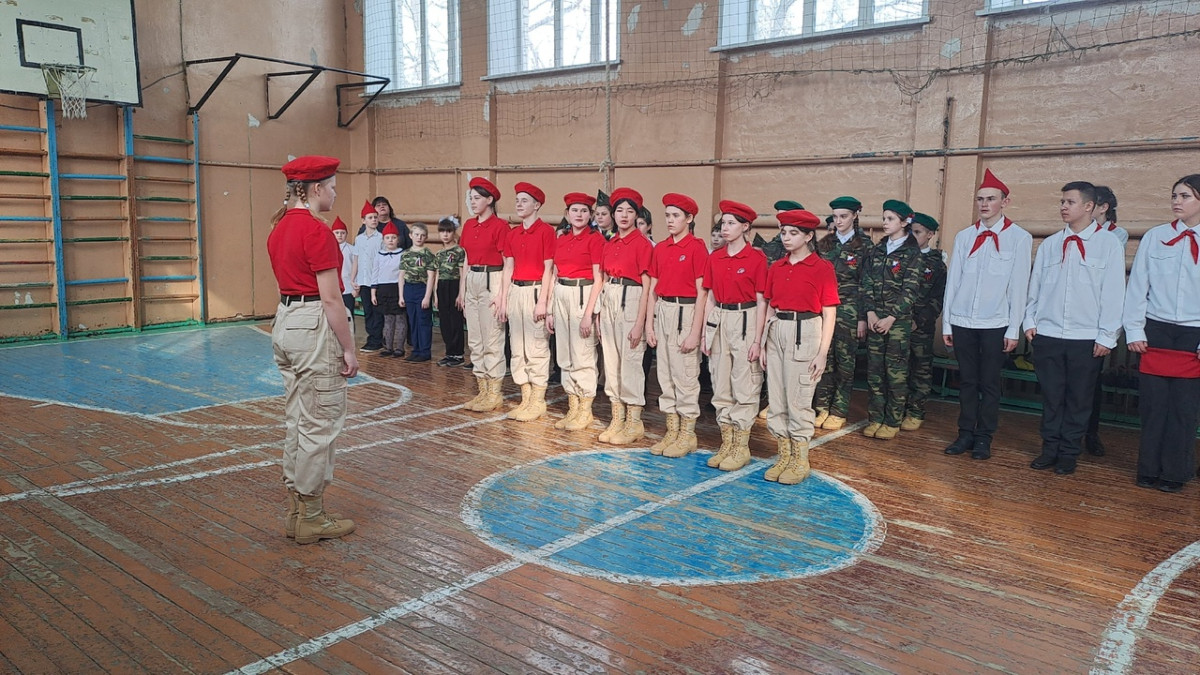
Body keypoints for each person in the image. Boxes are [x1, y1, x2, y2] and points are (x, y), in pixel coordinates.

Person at [266, 155, 357, 544]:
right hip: (314, 324)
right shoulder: (317, 232)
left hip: (286, 321)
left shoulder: (279, 228)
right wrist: (349, 349)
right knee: (321, 423)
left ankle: (296, 512)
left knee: (298, 421)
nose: (335, 194)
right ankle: (312, 517)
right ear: (316, 188)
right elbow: (332, 299)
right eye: (332, 187)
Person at [1024, 182, 1125, 476]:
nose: (1063, 207)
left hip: (1086, 336)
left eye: (1070, 202)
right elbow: (1036, 286)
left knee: (1079, 399)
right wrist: (1030, 321)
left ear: (1089, 206)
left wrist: (1107, 335)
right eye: (1062, 202)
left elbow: (1114, 293)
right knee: (1052, 397)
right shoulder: (1051, 244)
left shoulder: (1108, 244)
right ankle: (1049, 449)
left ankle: (1069, 452)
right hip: (1049, 333)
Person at [942, 169, 1033, 460]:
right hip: (962, 320)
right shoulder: (965, 236)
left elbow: (1019, 286)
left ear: (1004, 202)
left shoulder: (1019, 238)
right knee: (967, 381)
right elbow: (953, 281)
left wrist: (1013, 329)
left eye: (991, 199)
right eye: (980, 199)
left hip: (996, 322)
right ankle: (965, 433)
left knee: (990, 383)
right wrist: (948, 323)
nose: (984, 204)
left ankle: (984, 437)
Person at [1123, 174, 1200, 493]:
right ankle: (1148, 468)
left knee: (1183, 409)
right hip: (1155, 330)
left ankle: (1175, 472)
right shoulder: (1155, 237)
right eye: (1174, 196)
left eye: (1185, 196)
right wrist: (1133, 329)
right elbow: (1138, 285)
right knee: (1153, 407)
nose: (1176, 202)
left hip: (1193, 333)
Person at [760, 209, 838, 485]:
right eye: (783, 232)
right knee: (777, 397)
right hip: (777, 329)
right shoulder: (777, 267)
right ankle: (784, 455)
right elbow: (770, 306)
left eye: (794, 233)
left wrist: (822, 353)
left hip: (805, 330)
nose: (786, 237)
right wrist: (762, 343)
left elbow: (829, 312)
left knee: (799, 398)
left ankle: (800, 460)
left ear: (808, 236)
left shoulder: (822, 268)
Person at [702, 200, 768, 471]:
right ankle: (726, 442)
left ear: (745, 227)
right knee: (720, 384)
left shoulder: (757, 259)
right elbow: (710, 297)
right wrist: (706, 333)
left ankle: (741, 446)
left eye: (731, 223)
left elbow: (762, 301)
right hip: (720, 318)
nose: (725, 228)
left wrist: (758, 340)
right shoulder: (715, 258)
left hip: (746, 318)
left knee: (745, 383)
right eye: (723, 223)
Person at [646, 193, 709, 457]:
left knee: (685, 376)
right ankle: (671, 431)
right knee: (666, 375)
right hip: (664, 310)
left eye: (676, 216)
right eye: (667, 216)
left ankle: (687, 434)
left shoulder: (696, 248)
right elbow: (652, 289)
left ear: (689, 218)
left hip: (686, 311)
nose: (670, 220)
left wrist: (695, 332)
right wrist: (649, 324)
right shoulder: (660, 248)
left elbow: (702, 293)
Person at [861, 200, 923, 440]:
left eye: (890, 219)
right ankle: (876, 417)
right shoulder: (877, 250)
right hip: (875, 319)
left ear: (904, 222)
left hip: (897, 323)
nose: (885, 223)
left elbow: (910, 290)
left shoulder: (912, 253)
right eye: (884, 218)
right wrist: (870, 313)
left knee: (895, 373)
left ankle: (892, 420)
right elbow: (866, 282)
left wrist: (891, 317)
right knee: (875, 372)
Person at [496, 182, 556, 421]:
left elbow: (549, 269)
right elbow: (508, 268)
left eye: (525, 200)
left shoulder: (546, 232)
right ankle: (526, 397)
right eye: (517, 200)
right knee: (517, 347)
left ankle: (538, 401)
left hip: (535, 291)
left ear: (537, 205)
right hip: (516, 292)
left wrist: (543, 301)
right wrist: (503, 299)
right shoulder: (513, 234)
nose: (519, 204)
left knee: (536, 347)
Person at [598, 187, 654, 445]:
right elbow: (603, 279)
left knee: (631, 362)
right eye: (619, 210)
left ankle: (634, 422)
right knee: (611, 361)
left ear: (636, 215)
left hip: (631, 299)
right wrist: (599, 314)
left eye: (629, 211)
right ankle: (617, 417)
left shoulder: (642, 244)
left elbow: (647, 286)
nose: (623, 215)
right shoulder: (610, 243)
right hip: (610, 297)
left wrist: (640, 323)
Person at [812, 196, 871, 431]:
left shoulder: (865, 246)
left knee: (845, 362)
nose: (838, 221)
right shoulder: (825, 244)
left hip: (850, 310)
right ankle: (822, 407)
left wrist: (862, 317)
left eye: (844, 216)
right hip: (824, 309)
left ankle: (839, 410)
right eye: (835, 216)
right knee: (823, 358)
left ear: (855, 216)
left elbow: (867, 284)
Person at [549, 192, 606, 430]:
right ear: (567, 213)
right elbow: (554, 274)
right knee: (564, 355)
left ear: (590, 215)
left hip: (583, 294)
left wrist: (588, 314)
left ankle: (585, 409)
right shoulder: (561, 239)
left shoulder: (595, 240)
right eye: (574, 210)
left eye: (584, 211)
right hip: (561, 294)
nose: (579, 215)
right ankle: (572, 406)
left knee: (583, 355)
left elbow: (599, 278)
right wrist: (550, 310)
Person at [458, 177, 508, 411]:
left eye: (477, 198)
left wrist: (502, 294)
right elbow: (466, 259)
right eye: (471, 198)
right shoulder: (469, 225)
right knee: (475, 340)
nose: (472, 202)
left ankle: (494, 392)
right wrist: (462, 291)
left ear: (489, 200)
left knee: (492, 339)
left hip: (492, 278)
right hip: (473, 279)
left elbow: (508, 262)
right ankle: (483, 390)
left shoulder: (500, 226)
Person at [1083, 184, 1126, 455]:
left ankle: (1091, 432)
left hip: (1098, 319)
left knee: (1092, 382)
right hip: (1075, 317)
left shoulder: (1116, 235)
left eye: (1091, 204)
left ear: (1103, 208)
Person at [901, 212, 948, 430]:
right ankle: (897, 408)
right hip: (897, 323)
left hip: (921, 327)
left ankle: (915, 411)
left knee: (920, 368)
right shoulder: (901, 257)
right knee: (898, 368)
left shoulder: (936, 265)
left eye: (917, 232)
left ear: (929, 235)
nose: (912, 236)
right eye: (909, 232)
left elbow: (938, 298)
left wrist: (919, 320)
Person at [400, 223, 437, 362]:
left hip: (422, 288)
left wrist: (427, 297)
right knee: (413, 321)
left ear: (426, 237)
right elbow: (401, 275)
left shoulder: (428, 254)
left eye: (422, 235)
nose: (419, 237)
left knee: (423, 321)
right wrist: (401, 295)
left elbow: (431, 276)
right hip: (409, 289)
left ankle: (424, 351)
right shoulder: (406, 254)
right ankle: (415, 350)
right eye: (416, 234)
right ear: (411, 236)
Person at [369, 223, 407, 357]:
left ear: (398, 239)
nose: (390, 240)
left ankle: (400, 347)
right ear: (383, 240)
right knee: (388, 319)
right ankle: (388, 347)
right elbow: (375, 273)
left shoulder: (402, 254)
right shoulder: (379, 255)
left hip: (397, 288)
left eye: (393, 237)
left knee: (400, 319)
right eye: (387, 238)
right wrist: (373, 292)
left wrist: (402, 294)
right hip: (383, 289)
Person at [352, 200, 385, 352]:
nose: (373, 220)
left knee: (377, 311)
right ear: (363, 220)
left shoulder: (381, 238)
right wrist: (353, 279)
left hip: (376, 281)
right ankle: (372, 337)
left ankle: (377, 339)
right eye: (370, 217)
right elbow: (356, 260)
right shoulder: (359, 239)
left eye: (375, 217)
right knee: (368, 311)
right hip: (363, 281)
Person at [435, 217, 467, 367]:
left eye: (448, 231)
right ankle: (449, 352)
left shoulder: (459, 251)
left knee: (455, 321)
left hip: (454, 285)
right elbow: (437, 274)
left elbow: (462, 273)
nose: (445, 235)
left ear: (454, 232)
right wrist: (435, 295)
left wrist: (461, 293)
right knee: (445, 321)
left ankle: (458, 354)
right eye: (442, 232)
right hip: (442, 286)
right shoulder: (439, 253)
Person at [332, 217, 356, 326]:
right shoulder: (329, 248)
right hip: (333, 289)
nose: (340, 235)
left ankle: (351, 334)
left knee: (349, 314)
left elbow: (355, 268)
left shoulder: (351, 249)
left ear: (346, 234)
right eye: (337, 233)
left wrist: (355, 287)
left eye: (342, 233)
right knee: (335, 315)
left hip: (348, 288)